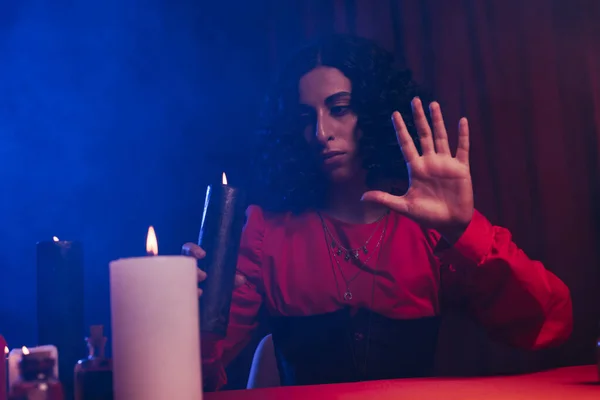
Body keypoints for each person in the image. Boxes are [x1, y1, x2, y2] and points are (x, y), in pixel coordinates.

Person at [182, 34, 572, 390]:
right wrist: (191, 305)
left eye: (339, 108)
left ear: (374, 111)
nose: (320, 133)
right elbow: (192, 374)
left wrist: (465, 231)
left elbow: (547, 324)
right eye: (305, 118)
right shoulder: (267, 233)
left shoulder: (428, 230)